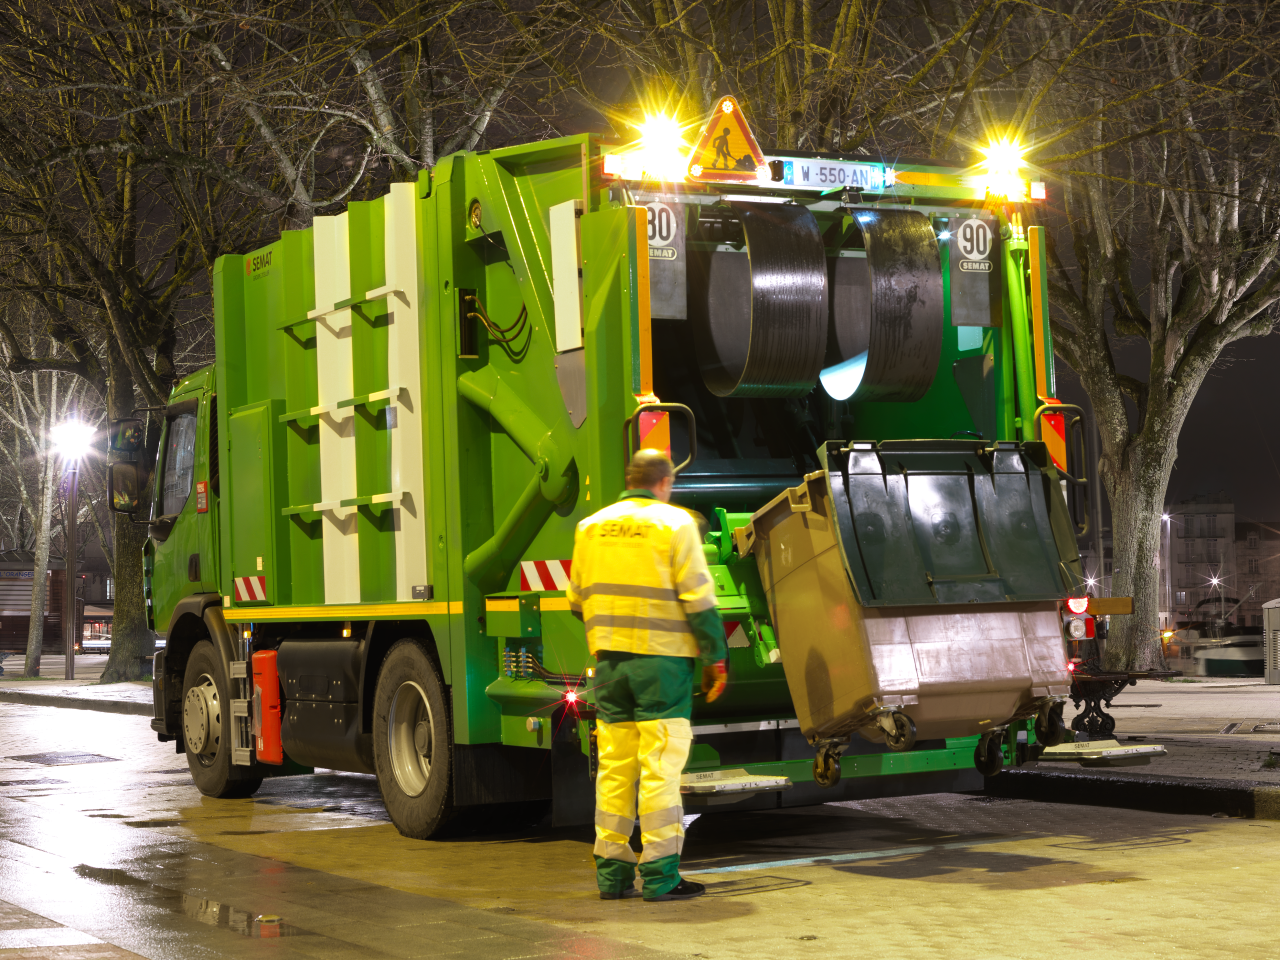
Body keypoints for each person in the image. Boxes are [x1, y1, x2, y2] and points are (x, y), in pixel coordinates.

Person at [568, 449, 728, 902]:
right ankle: (660, 876)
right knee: (659, 769)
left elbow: (576, 600)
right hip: (662, 667)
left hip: (610, 667)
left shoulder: (590, 527)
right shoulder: (675, 524)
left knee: (615, 770)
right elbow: (698, 600)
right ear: (665, 483)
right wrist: (716, 659)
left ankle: (612, 876)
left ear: (630, 478)